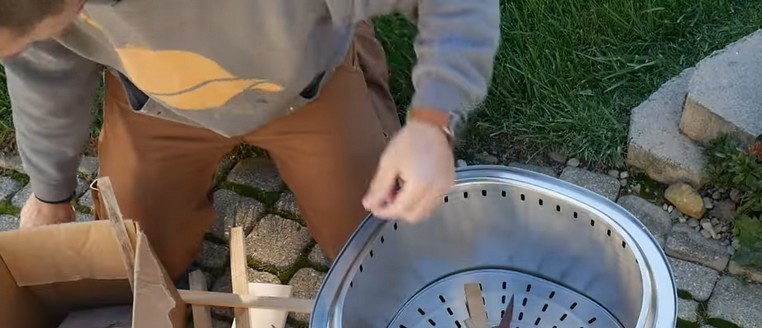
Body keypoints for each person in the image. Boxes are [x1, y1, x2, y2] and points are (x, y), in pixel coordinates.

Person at [0, 0, 500, 280]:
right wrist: (50, 193)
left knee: (385, 254)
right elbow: (43, 75)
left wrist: (433, 121)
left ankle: (349, 39)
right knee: (130, 273)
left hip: (307, 88)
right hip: (156, 101)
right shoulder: (27, 19)